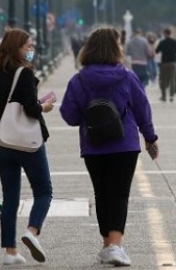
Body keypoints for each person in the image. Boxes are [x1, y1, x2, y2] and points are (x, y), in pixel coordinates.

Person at [59, 27, 159, 267]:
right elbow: (142, 107)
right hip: (124, 144)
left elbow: (69, 115)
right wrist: (150, 137)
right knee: (119, 194)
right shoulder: (127, 76)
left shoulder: (79, 79)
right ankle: (114, 245)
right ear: (116, 48)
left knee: (102, 193)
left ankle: (108, 244)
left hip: (93, 145)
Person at [0, 29, 55, 265]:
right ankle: (32, 231)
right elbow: (30, 109)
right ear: (16, 48)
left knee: (10, 198)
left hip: (4, 143)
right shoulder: (24, 74)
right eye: (27, 46)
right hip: (27, 143)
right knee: (44, 191)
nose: (31, 49)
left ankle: (10, 252)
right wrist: (44, 107)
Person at [154, 27, 176, 102]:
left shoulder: (162, 42)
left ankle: (164, 96)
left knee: (163, 79)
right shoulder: (175, 42)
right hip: (172, 62)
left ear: (164, 34)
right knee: (172, 79)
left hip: (164, 62)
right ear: (171, 33)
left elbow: (156, 51)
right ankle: (172, 95)